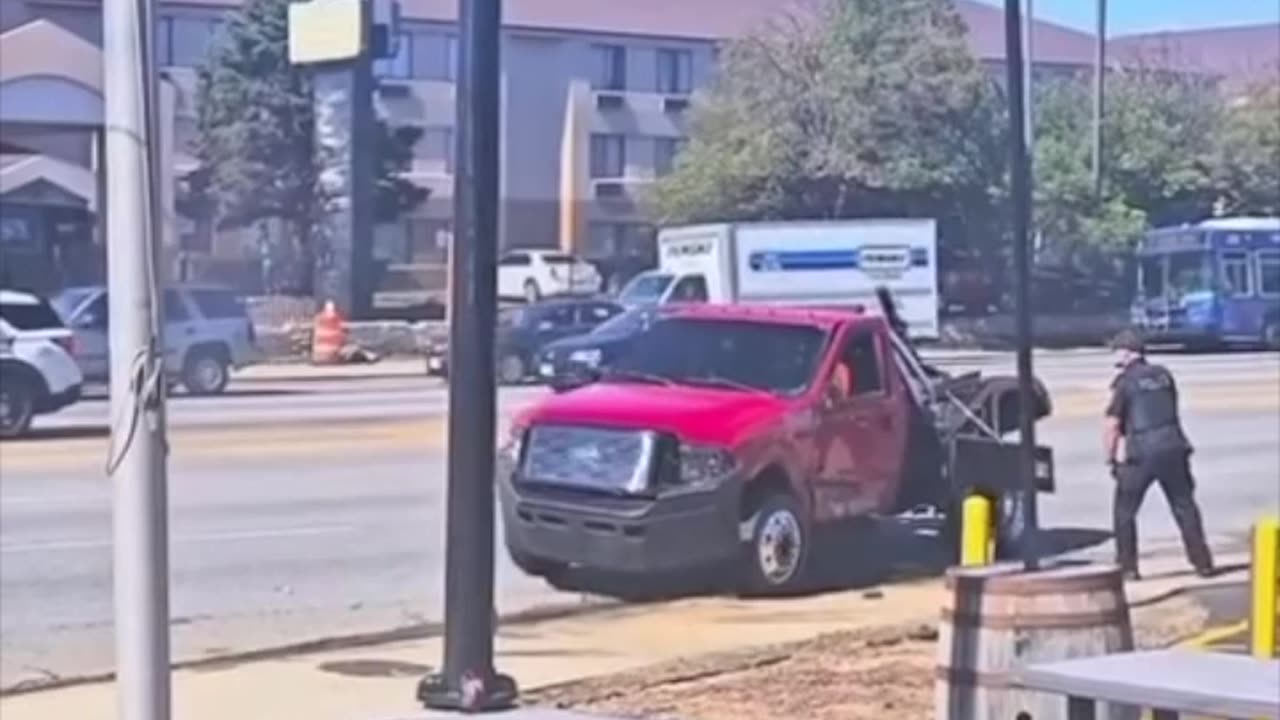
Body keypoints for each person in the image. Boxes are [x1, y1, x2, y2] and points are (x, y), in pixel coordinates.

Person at [1103, 329, 1214, 581]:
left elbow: (1111, 425)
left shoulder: (1124, 383)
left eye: (1117, 349)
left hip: (1142, 452)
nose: (1114, 354)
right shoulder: (1164, 376)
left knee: (1125, 512)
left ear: (1129, 353)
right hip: (1174, 446)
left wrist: (1111, 458)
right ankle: (1203, 563)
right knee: (1184, 506)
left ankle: (1128, 567)